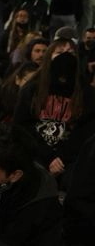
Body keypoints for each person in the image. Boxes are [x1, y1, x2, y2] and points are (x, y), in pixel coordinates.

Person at [14, 38, 95, 185]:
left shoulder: (87, 93)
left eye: (70, 52)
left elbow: (85, 131)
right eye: (59, 52)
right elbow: (22, 125)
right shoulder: (32, 88)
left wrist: (62, 158)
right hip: (34, 152)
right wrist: (48, 156)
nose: (65, 56)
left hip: (69, 160)